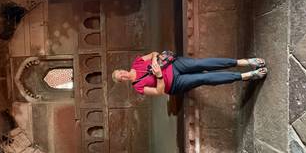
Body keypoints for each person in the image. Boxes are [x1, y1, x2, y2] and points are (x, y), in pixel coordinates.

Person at [111, 52, 267, 96]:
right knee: (203, 78)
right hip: (174, 83)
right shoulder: (138, 87)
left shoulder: (137, 63)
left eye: (120, 72)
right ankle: (246, 76)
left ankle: (245, 62)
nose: (123, 75)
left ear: (121, 69)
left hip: (174, 64)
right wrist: (158, 76)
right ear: (122, 81)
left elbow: (154, 53)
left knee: (202, 63)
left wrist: (154, 61)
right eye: (121, 78)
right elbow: (159, 92)